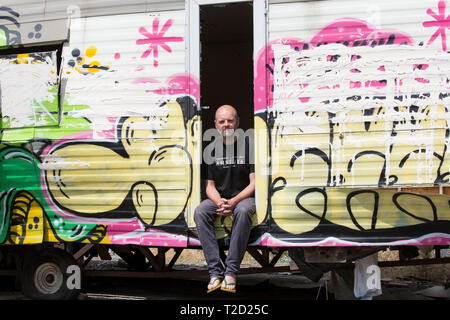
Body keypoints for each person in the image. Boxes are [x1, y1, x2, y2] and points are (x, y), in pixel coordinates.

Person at [194, 104, 255, 293]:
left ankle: (231, 272)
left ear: (237, 122)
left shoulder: (249, 145)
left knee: (244, 211)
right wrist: (220, 201)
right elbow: (209, 186)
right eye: (222, 121)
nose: (226, 125)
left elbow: (254, 183)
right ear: (215, 124)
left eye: (230, 121)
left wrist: (233, 202)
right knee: (201, 211)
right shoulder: (210, 149)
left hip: (244, 197)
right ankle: (215, 272)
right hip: (220, 198)